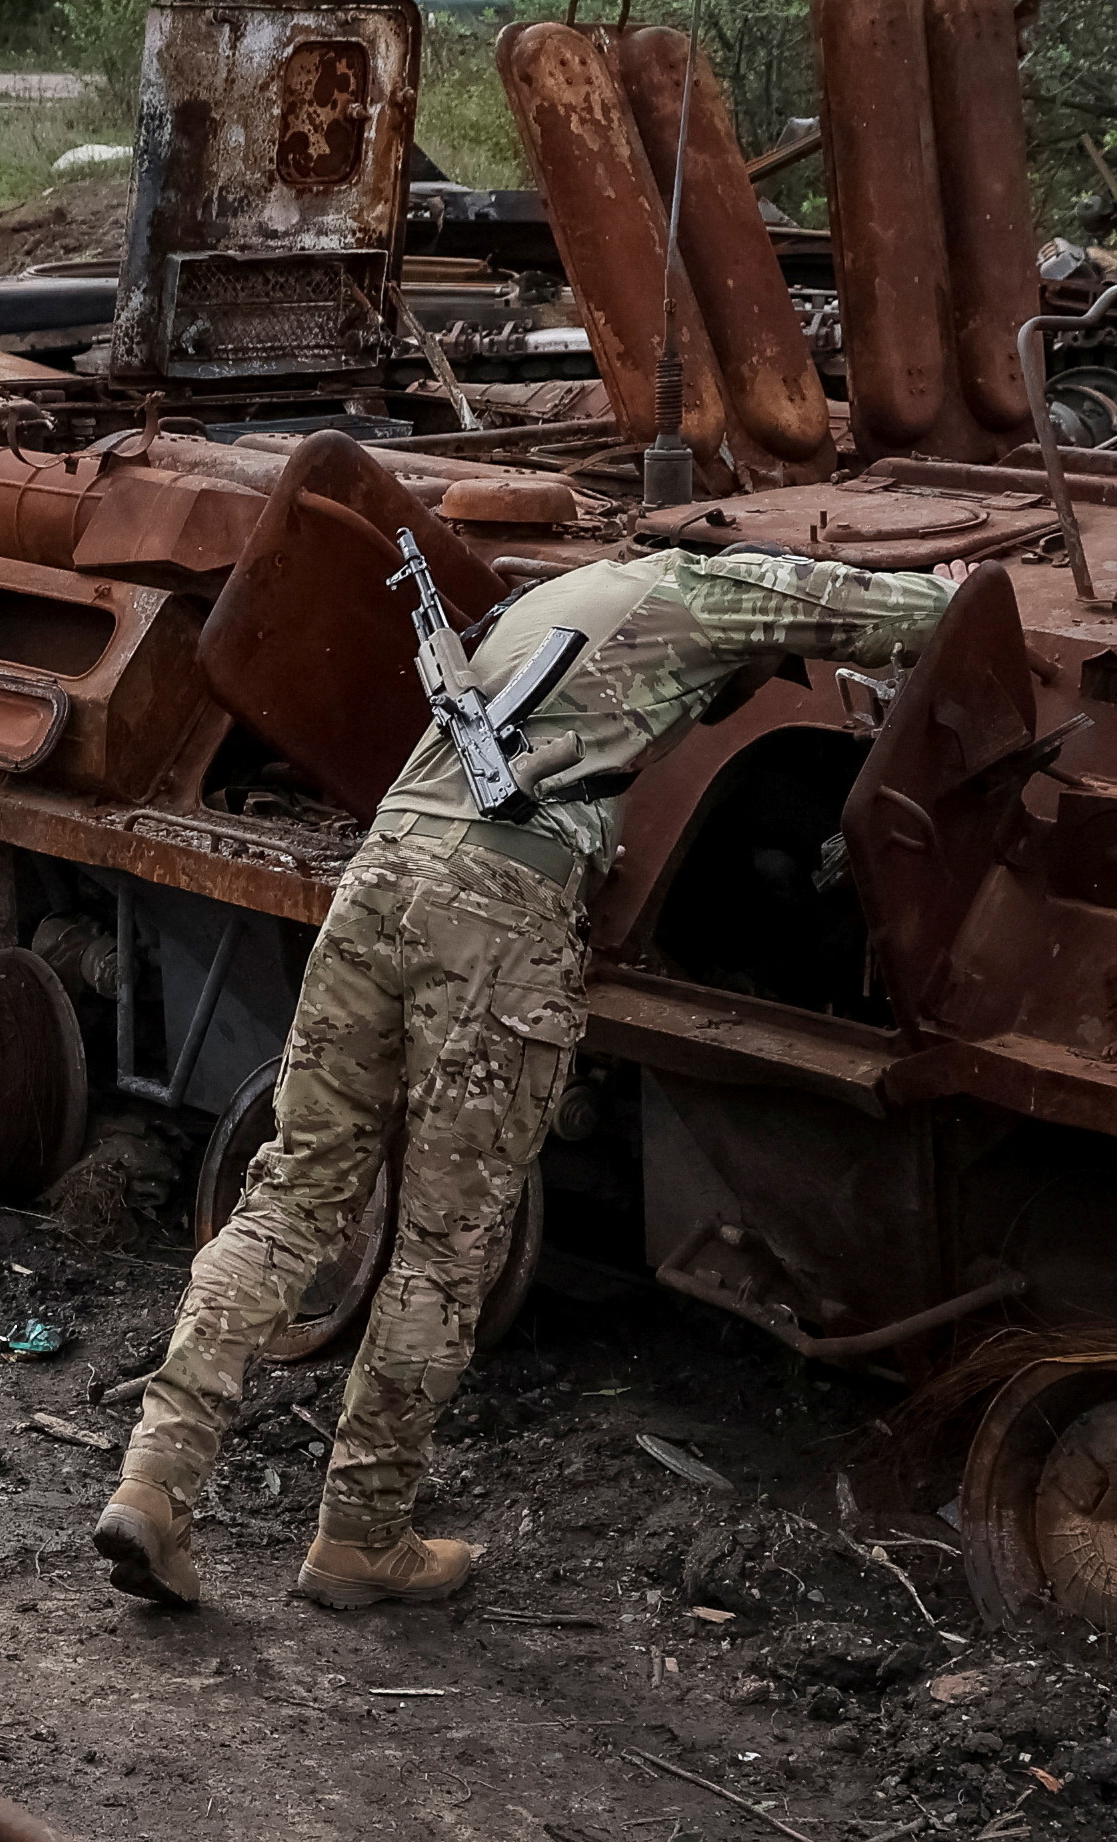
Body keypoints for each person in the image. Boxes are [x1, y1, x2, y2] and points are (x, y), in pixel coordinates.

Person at [93, 453, 976, 1613]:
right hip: (497, 912)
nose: (736, 690)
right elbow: (890, 614)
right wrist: (968, 586)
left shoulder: (547, 600)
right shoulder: (705, 592)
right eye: (748, 679)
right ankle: (361, 1535)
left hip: (381, 879)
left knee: (293, 1196)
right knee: (446, 1246)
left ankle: (154, 1481)